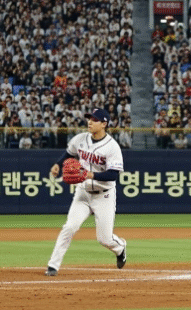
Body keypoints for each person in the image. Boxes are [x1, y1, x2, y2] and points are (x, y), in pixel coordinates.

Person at [44, 109, 127, 276]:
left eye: (94, 119)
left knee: (104, 239)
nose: (90, 122)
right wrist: (58, 164)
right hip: (83, 193)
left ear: (104, 124)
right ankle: (53, 266)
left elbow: (113, 175)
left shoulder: (112, 147)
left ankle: (120, 248)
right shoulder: (80, 139)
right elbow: (69, 153)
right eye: (89, 118)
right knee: (69, 227)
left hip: (104, 195)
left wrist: (90, 174)